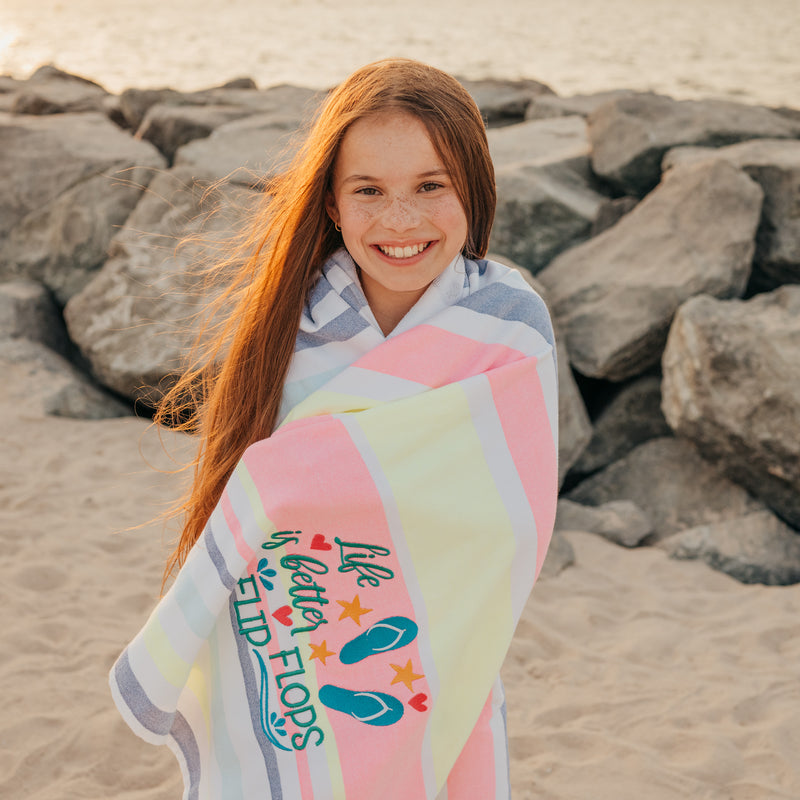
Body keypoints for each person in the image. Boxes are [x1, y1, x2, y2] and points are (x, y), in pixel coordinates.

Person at [110, 58, 559, 799]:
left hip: (439, 644)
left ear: (473, 191)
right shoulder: (289, 331)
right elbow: (242, 504)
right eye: (369, 191)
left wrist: (303, 480)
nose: (400, 219)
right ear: (330, 203)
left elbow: (510, 514)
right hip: (295, 636)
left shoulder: (508, 327)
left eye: (430, 186)